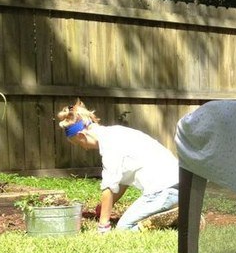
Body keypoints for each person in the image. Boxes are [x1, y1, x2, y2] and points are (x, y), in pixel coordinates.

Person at [57, 99, 180, 232]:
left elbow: (109, 187)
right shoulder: (116, 133)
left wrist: (103, 226)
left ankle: (174, 219)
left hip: (162, 191)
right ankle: (177, 213)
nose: (84, 148)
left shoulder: (110, 147)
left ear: (81, 135)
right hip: (179, 186)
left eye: (79, 144)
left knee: (123, 228)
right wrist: (104, 207)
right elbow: (122, 182)